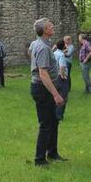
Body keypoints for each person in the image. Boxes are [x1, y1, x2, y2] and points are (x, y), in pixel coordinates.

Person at [29, 18, 66, 166]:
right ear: (44, 30)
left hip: (45, 87)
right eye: (50, 25)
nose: (53, 26)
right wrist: (55, 94)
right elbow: (43, 73)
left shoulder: (38, 43)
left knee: (53, 121)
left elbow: (30, 52)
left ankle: (52, 153)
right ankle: (39, 159)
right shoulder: (43, 48)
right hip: (43, 89)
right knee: (46, 124)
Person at [54, 40, 69, 121]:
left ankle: (54, 112)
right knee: (63, 96)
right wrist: (63, 76)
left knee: (56, 94)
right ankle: (59, 115)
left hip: (55, 76)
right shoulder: (61, 55)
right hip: (60, 77)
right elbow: (62, 66)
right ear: (63, 46)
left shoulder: (54, 53)